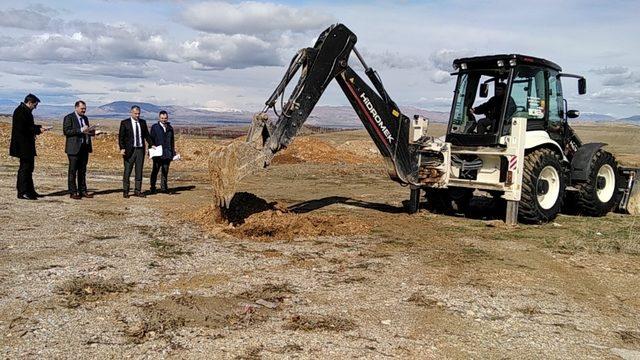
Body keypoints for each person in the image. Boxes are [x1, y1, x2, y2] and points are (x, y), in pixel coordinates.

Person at [9, 94, 51, 200]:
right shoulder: (20, 111)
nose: (35, 107)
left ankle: (30, 191)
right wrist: (38, 130)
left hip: (26, 145)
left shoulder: (24, 111)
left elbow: (28, 126)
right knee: (24, 169)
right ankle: (23, 192)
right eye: (35, 105)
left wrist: (40, 127)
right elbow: (23, 128)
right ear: (30, 102)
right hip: (23, 146)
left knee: (29, 168)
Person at [63, 100, 97, 199]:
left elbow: (86, 132)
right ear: (76, 108)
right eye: (82, 109)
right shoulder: (69, 117)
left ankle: (83, 191)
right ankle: (73, 192)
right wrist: (80, 130)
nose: (84, 110)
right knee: (73, 171)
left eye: (85, 109)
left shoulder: (85, 118)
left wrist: (94, 132)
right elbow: (66, 131)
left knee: (82, 171)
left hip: (84, 148)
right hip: (73, 149)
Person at [119, 105, 153, 198]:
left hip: (140, 150)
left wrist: (152, 144)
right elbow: (121, 138)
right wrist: (122, 148)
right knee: (127, 171)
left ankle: (138, 190)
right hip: (129, 151)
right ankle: (125, 191)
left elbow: (147, 135)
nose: (137, 115)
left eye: (139, 114)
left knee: (139, 171)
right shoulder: (125, 123)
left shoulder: (143, 122)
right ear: (131, 113)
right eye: (135, 113)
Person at [149, 110, 176, 194]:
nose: (164, 120)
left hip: (167, 153)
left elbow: (172, 141)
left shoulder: (170, 128)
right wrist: (151, 147)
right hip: (157, 153)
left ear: (167, 118)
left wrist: (173, 151)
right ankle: (152, 187)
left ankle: (164, 188)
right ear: (159, 118)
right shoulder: (155, 127)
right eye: (162, 118)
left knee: (165, 171)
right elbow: (151, 139)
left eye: (165, 118)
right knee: (155, 171)